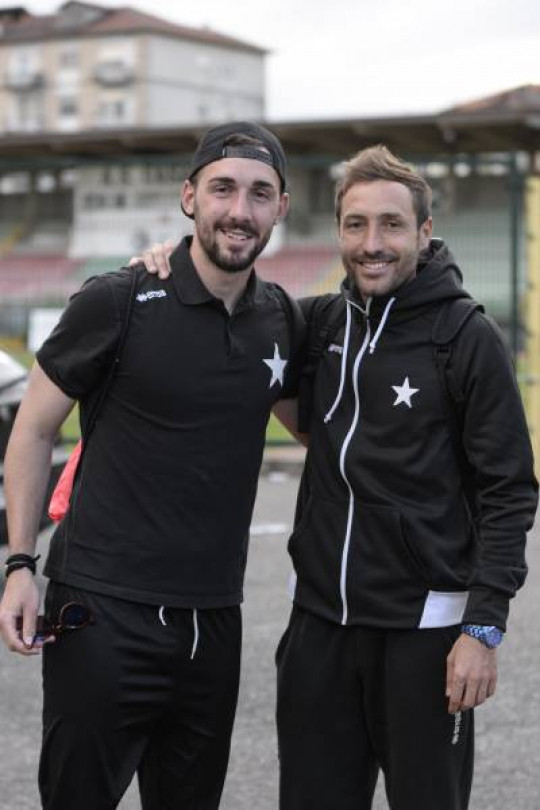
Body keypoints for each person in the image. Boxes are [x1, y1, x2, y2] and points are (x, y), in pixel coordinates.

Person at [136, 145, 538, 810]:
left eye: (391, 224)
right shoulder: (317, 322)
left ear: (425, 233)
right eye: (356, 225)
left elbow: (510, 491)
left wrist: (483, 628)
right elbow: (225, 302)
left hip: (425, 636)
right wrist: (165, 260)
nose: (371, 243)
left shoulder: (466, 337)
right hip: (318, 632)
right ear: (339, 232)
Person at [0, 121, 305, 810]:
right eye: (223, 189)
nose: (240, 210)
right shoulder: (116, 300)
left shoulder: (283, 319)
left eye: (260, 194)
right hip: (100, 610)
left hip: (212, 621)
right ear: (189, 197)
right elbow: (33, 428)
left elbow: (325, 433)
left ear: (281, 208)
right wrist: (19, 565)